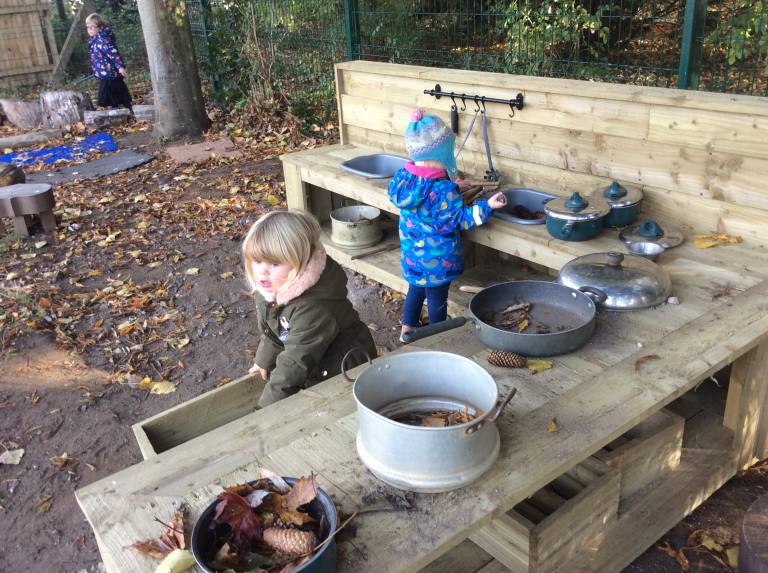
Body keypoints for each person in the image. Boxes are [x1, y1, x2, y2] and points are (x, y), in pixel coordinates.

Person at [389, 108, 507, 342]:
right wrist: (488, 206)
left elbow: (429, 197)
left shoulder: (404, 179)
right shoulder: (442, 190)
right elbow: (460, 219)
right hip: (437, 261)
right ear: (442, 155)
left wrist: (454, 186)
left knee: (415, 290)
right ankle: (437, 338)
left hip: (413, 257)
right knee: (436, 298)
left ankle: (407, 332)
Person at [243, 210, 377, 407]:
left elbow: (294, 365)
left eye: (274, 263)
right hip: (313, 358)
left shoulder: (314, 309)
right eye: (257, 261)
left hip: (342, 368)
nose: (262, 271)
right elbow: (274, 330)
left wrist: (264, 410)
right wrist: (264, 360)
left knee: (334, 412)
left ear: (300, 262)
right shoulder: (271, 289)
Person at [86, 13, 133, 112]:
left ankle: (124, 110)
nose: (89, 30)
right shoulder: (95, 40)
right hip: (105, 72)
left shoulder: (103, 40)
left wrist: (120, 66)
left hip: (109, 73)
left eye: (92, 27)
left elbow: (113, 54)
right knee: (116, 92)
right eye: (88, 27)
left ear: (99, 27)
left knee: (111, 93)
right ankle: (121, 110)